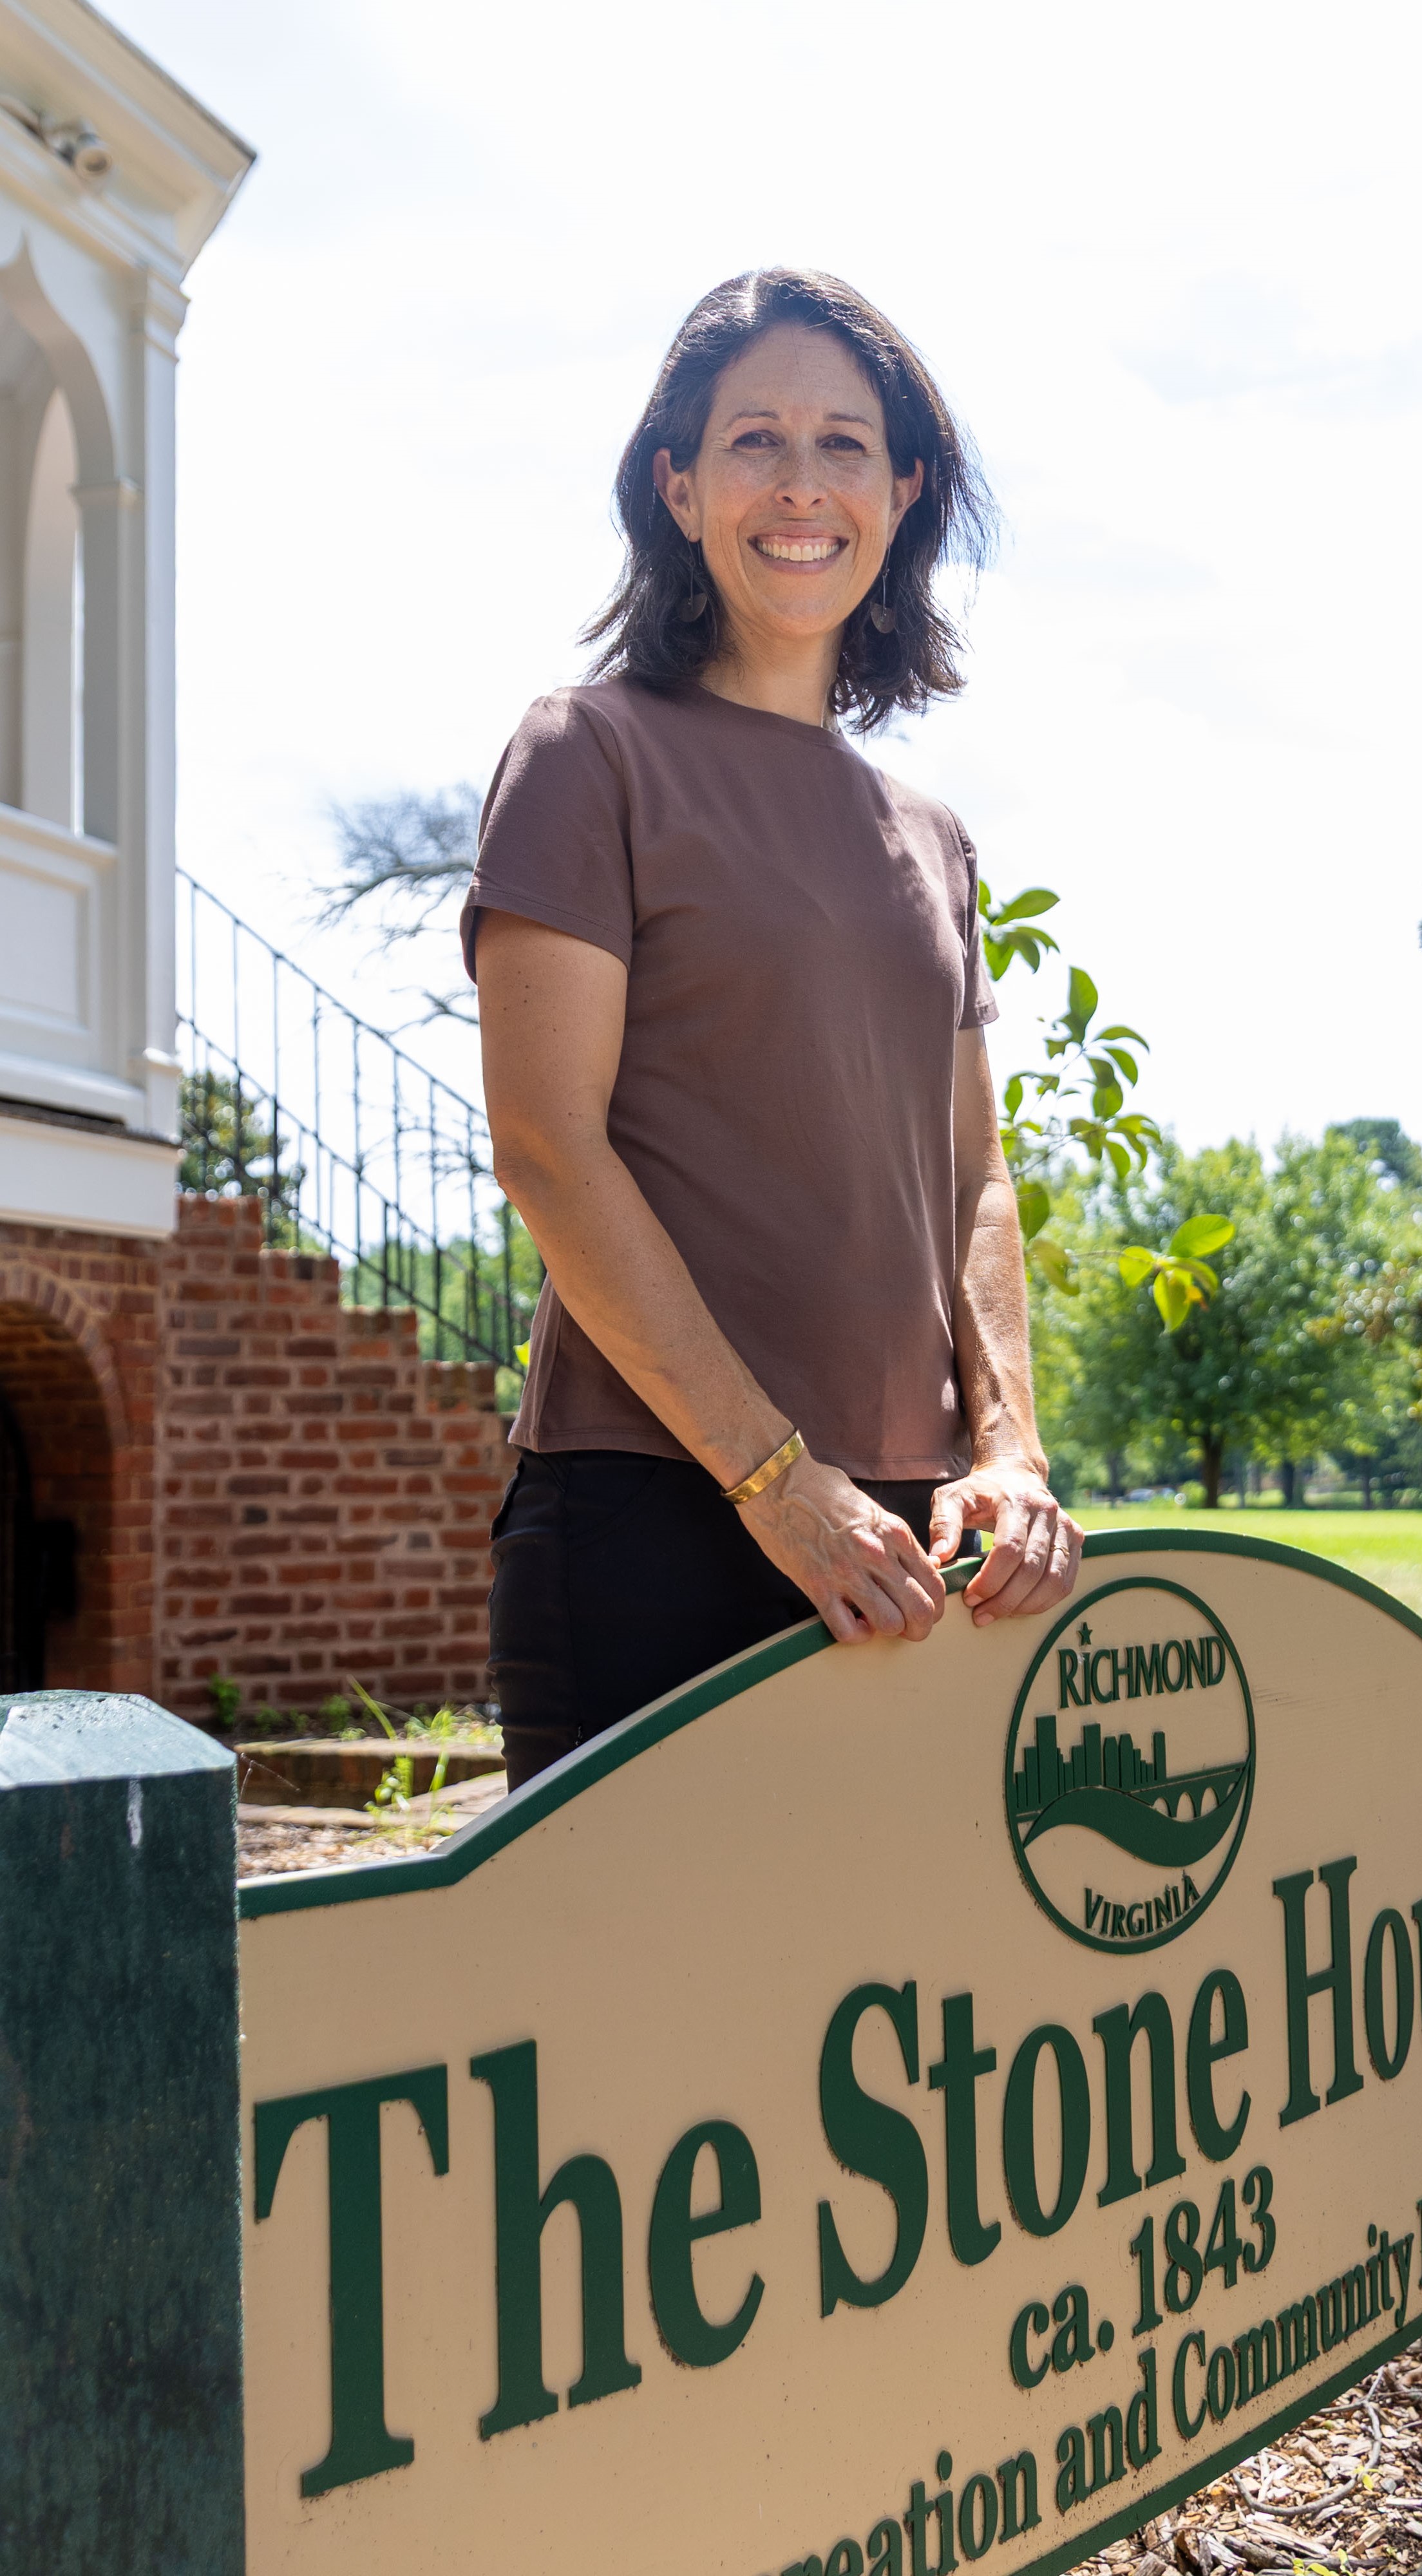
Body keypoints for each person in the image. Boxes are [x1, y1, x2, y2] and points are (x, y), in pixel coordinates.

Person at [462, 267, 1082, 1794]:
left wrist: (1009, 1448)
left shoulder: (932, 835)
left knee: (913, 2021)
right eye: (753, 440)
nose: (800, 485)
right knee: (641, 2027)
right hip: (656, 1512)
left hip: (915, 1530)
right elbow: (547, 1144)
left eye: (843, 444)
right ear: (677, 488)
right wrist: (772, 1476)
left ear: (904, 491)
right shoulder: (587, 753)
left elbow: (974, 1172)